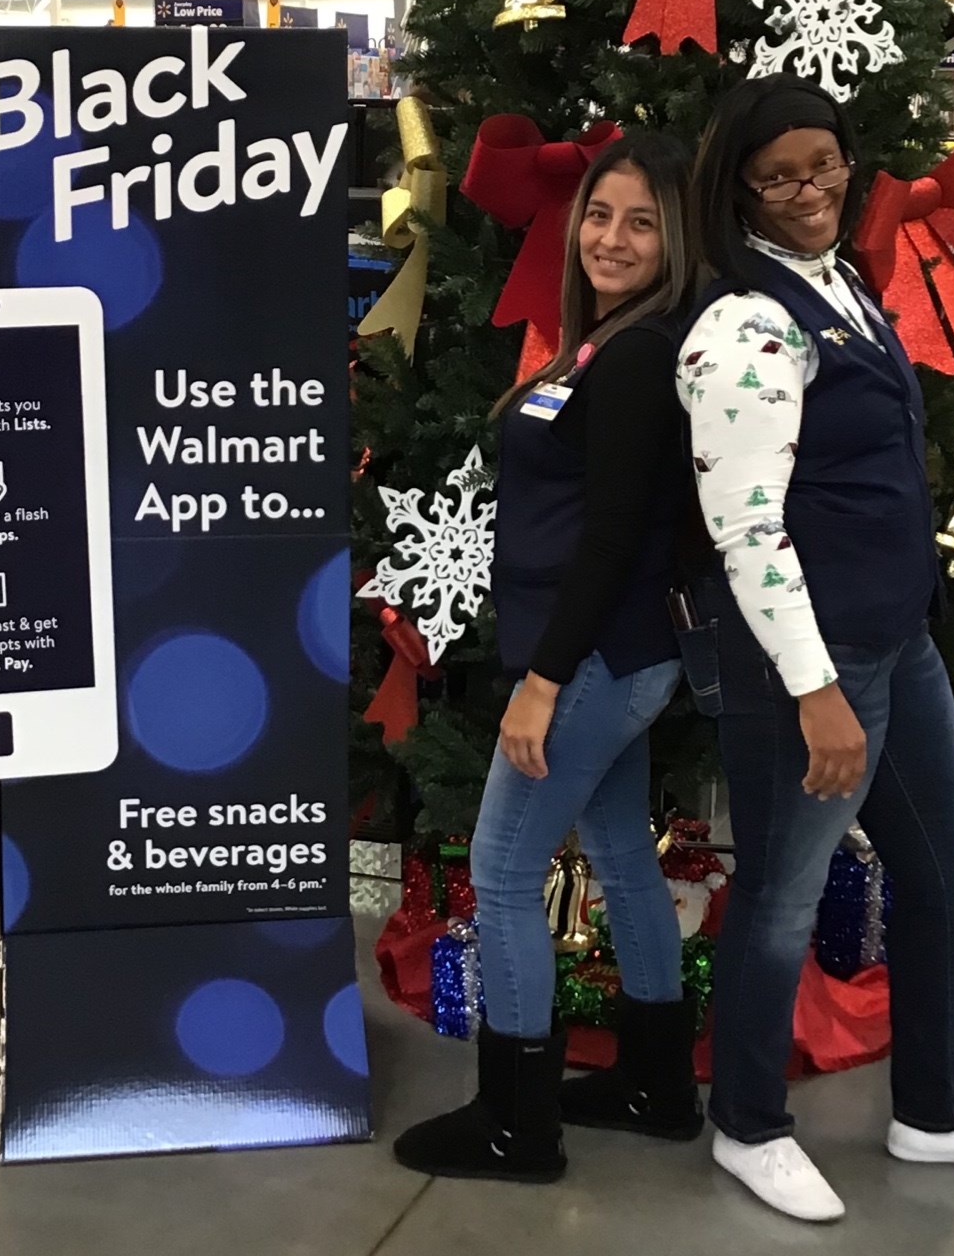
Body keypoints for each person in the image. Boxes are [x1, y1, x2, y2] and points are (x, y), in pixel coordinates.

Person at [678, 77, 954, 1224]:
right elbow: (745, 528)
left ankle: (933, 1110)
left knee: (943, 861)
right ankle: (747, 1122)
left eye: (824, 164)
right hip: (807, 662)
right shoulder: (743, 323)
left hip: (891, 639)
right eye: (778, 176)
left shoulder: (835, 278)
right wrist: (813, 690)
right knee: (782, 891)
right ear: (737, 188)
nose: (808, 190)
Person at [394, 132, 702, 1184]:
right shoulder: (602, 343)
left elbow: (610, 540)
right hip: (613, 657)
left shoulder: (640, 354)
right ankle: (656, 1085)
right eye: (599, 215)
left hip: (593, 661)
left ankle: (513, 1123)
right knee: (618, 849)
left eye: (641, 222)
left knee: (503, 868)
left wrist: (541, 682)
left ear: (675, 238)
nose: (610, 238)